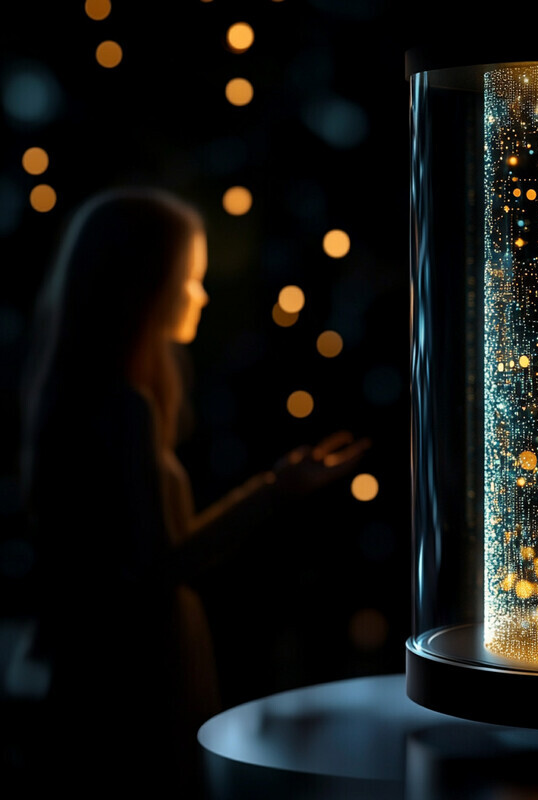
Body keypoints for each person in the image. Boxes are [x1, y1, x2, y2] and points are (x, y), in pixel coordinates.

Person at [19, 188, 366, 794]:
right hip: (143, 667)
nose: (201, 295)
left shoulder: (74, 403)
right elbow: (164, 564)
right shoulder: (125, 410)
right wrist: (275, 491)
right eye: (190, 278)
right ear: (145, 287)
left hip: (101, 661)